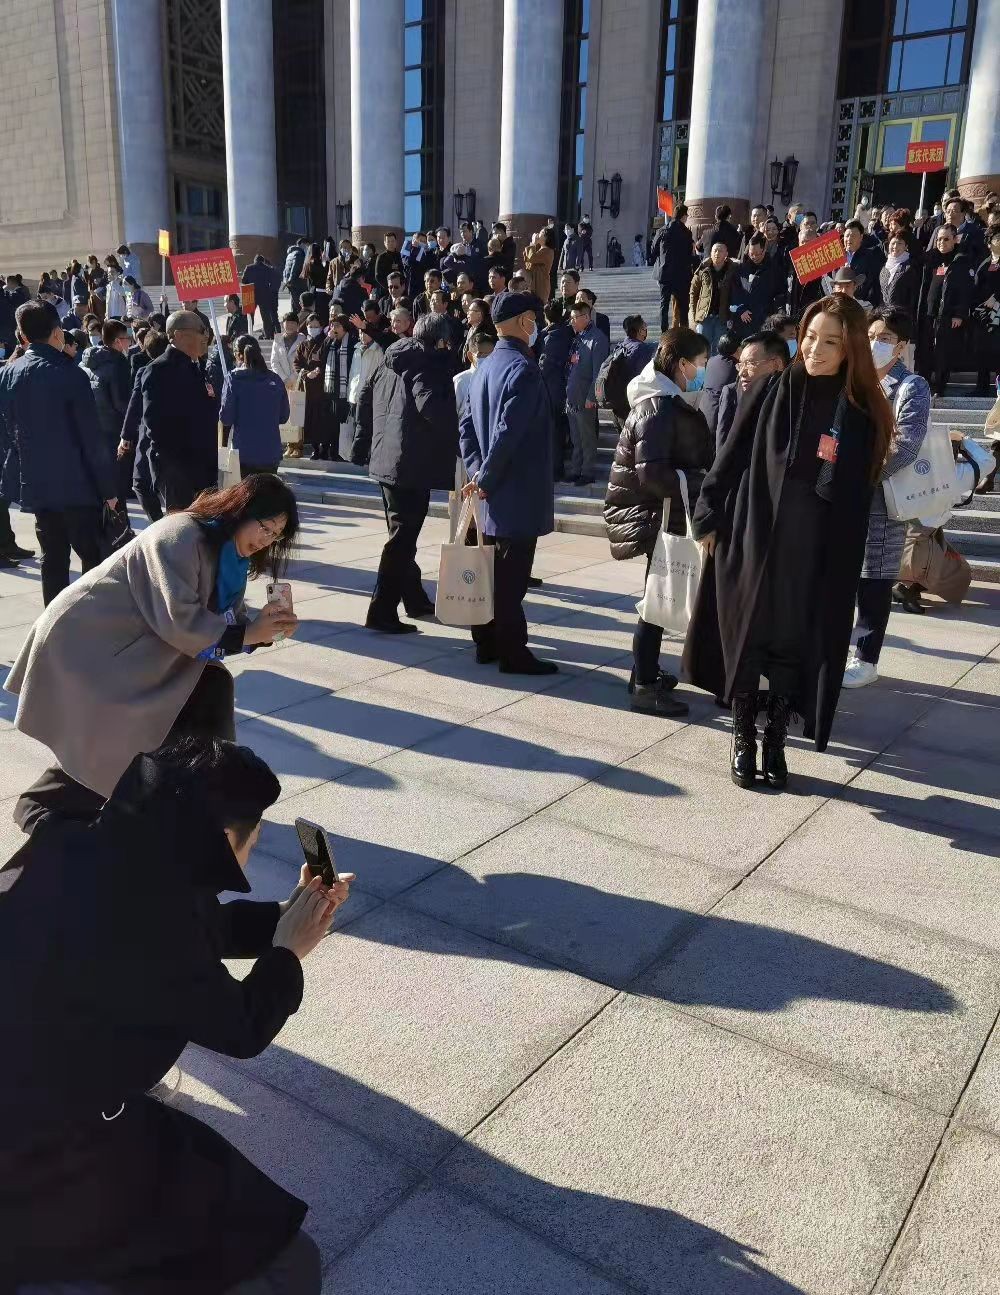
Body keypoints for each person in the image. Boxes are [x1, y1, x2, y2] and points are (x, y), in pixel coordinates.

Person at [0, 736, 352, 1292]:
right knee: (275, 1252)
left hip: (31, 1073)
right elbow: (242, 1026)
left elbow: (191, 932)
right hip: (43, 1138)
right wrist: (288, 952)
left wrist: (286, 919)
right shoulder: (155, 929)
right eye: (253, 836)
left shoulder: (91, 848)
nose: (254, 846)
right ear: (227, 837)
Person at [7, 474, 300, 830]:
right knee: (113, 729)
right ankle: (41, 804)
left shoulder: (230, 552)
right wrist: (247, 633)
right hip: (92, 641)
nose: (266, 540)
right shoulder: (181, 534)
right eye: (265, 527)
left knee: (206, 691)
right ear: (241, 510)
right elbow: (181, 620)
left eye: (276, 535)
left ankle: (198, 797)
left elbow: (222, 619)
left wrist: (262, 630)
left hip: (140, 644)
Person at [683, 294, 893, 789]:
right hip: (754, 537)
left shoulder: (861, 414)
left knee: (792, 642)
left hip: (814, 549)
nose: (816, 349)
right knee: (747, 636)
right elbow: (728, 457)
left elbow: (858, 496)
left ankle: (775, 738)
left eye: (831, 342)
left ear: (851, 350)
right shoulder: (771, 388)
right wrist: (708, 516)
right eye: (811, 336)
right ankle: (742, 737)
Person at [604, 328, 713, 716]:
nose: (702, 371)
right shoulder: (658, 407)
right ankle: (645, 684)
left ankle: (644, 671)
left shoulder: (665, 402)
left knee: (657, 598)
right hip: (655, 515)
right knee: (655, 603)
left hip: (659, 514)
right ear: (681, 364)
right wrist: (703, 480)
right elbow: (653, 475)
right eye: (700, 364)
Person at [459, 292, 555, 673]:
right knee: (511, 580)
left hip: (490, 488)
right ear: (519, 321)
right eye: (533, 318)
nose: (537, 326)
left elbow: (466, 427)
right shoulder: (523, 368)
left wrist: (476, 471)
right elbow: (508, 431)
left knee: (492, 572)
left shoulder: (483, 366)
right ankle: (513, 652)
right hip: (515, 489)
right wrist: (487, 475)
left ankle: (485, 642)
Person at [0, 302, 117, 604]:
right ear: (56, 333)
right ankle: (92, 623)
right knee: (93, 560)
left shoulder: (8, 374)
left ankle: (54, 630)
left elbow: (7, 435)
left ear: (23, 335)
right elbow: (91, 439)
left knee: (52, 560)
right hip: (77, 486)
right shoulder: (70, 374)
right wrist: (109, 489)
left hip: (38, 487)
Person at [842, 307, 932, 688]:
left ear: (902, 347)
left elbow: (907, 445)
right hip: (843, 497)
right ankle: (845, 648)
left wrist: (863, 477)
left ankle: (866, 657)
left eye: (886, 339)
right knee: (845, 576)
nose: (876, 344)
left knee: (874, 579)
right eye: (872, 335)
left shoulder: (912, 386)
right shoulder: (854, 382)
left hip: (880, 499)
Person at [366, 311, 458, 633]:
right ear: (439, 340)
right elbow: (432, 408)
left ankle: (414, 599)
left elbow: (367, 398)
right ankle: (381, 612)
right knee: (402, 540)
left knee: (401, 537)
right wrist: (460, 438)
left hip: (387, 460)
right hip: (409, 464)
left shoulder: (392, 358)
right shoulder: (426, 364)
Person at [139, 309, 218, 511]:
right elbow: (155, 425)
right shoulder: (159, 369)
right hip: (178, 471)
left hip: (203, 468)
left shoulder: (197, 366)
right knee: (181, 534)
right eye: (202, 330)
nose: (205, 336)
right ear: (179, 335)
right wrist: (175, 469)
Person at [916, 223, 976, 396]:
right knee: (926, 351)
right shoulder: (931, 259)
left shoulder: (961, 261)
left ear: (955, 239)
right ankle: (924, 385)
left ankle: (940, 387)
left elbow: (965, 291)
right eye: (939, 239)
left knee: (943, 352)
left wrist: (959, 314)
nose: (941, 242)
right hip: (928, 313)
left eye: (946, 239)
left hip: (948, 315)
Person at [220, 335, 289, 478]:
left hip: (245, 450)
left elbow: (226, 417)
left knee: (249, 495)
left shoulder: (233, 379)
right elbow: (283, 417)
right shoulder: (275, 379)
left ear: (238, 355)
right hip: (271, 450)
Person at [81, 318, 132, 499]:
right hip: (115, 427)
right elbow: (122, 402)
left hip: (95, 425)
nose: (129, 341)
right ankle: (119, 524)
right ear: (118, 341)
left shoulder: (88, 361)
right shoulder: (118, 363)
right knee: (118, 483)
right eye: (127, 338)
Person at [716, 329, 790, 449]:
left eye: (750, 363)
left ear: (776, 364)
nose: (741, 373)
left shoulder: (791, 400)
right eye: (740, 364)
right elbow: (722, 449)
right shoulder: (732, 394)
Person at [564, 301, 610, 487]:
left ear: (586, 317)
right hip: (572, 395)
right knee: (576, 437)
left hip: (585, 396)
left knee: (587, 436)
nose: (572, 321)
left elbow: (599, 372)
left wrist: (592, 396)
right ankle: (576, 469)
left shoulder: (597, 339)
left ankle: (587, 470)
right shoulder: (577, 338)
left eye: (575, 318)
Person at [293, 312, 337, 460]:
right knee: (311, 421)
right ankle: (315, 448)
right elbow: (297, 364)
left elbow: (325, 358)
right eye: (310, 326)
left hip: (323, 388)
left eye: (316, 326)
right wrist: (306, 373)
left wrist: (319, 370)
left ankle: (325, 448)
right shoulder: (303, 345)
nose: (313, 329)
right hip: (308, 389)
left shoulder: (326, 341)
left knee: (323, 420)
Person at [539, 300, 574, 479]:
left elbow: (545, 366)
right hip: (563, 388)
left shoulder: (552, 337)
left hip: (553, 390)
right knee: (559, 431)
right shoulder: (567, 333)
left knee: (553, 432)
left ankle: (555, 469)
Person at [690, 242, 738, 356]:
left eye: (720, 251)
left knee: (719, 350)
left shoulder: (733, 270)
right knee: (701, 350)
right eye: (714, 250)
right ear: (710, 253)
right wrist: (693, 315)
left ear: (726, 254)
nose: (717, 253)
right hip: (704, 317)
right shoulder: (702, 269)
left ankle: (715, 372)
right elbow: (693, 292)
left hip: (722, 317)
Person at [730, 234, 780, 339]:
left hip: (767, 319)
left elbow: (779, 291)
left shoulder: (773, 268)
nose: (754, 257)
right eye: (751, 254)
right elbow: (735, 291)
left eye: (758, 254)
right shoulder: (742, 269)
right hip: (746, 320)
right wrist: (740, 309)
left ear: (764, 250)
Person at [323, 314, 356, 460]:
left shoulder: (352, 342)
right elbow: (320, 356)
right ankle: (334, 452)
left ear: (345, 327)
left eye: (337, 326)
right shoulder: (331, 342)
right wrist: (328, 338)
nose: (334, 328)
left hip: (347, 389)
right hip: (332, 390)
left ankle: (344, 452)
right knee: (332, 422)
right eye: (332, 325)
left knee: (345, 421)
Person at [972, 226, 1000, 396]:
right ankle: (981, 387)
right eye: (996, 238)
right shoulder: (985, 262)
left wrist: (996, 297)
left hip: (998, 313)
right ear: (989, 243)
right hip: (983, 314)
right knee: (982, 350)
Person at [698, 331, 738, 441]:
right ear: (737, 350)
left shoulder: (712, 361)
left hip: (703, 413)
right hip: (718, 419)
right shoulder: (735, 367)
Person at [842, 220, 886, 306]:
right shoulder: (838, 256)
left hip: (862, 306)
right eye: (847, 236)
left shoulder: (870, 255)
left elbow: (869, 283)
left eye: (853, 236)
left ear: (861, 237)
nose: (849, 239)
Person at [879, 231, 920, 319]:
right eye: (893, 243)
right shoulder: (884, 268)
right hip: (884, 316)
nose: (895, 246)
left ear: (906, 247)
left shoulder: (910, 268)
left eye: (900, 243)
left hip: (902, 318)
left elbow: (913, 298)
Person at [241, 252, 281, 338]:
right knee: (265, 317)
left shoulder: (249, 268)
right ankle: (268, 334)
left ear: (255, 261)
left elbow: (243, 281)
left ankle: (248, 334)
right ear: (263, 261)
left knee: (250, 316)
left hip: (251, 294)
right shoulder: (268, 269)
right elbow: (272, 281)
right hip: (265, 294)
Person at [270, 310, 305, 386]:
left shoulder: (303, 340)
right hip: (281, 381)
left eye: (293, 323)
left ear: (298, 325)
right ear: (283, 324)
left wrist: (292, 379)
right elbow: (274, 362)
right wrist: (284, 379)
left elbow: (303, 362)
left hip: (299, 381)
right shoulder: (277, 340)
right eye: (288, 323)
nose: (290, 325)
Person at [524, 227, 555, 303]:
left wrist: (533, 243)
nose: (537, 235)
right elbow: (528, 262)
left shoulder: (548, 251)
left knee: (539, 306)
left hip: (540, 284)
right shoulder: (539, 250)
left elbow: (531, 258)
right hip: (533, 281)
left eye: (541, 233)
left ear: (546, 238)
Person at [281, 237, 309, 314]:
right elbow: (295, 268)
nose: (307, 248)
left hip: (290, 283)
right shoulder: (299, 253)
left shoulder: (290, 254)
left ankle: (294, 319)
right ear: (302, 244)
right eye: (306, 245)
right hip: (297, 282)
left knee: (294, 302)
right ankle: (300, 320)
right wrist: (290, 280)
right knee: (300, 303)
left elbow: (285, 269)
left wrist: (285, 281)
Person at [374, 230, 405, 296]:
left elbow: (403, 272)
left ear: (396, 242)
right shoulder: (381, 257)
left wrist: (401, 287)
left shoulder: (400, 255)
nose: (391, 243)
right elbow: (378, 276)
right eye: (388, 241)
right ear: (385, 243)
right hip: (386, 291)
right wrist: (389, 287)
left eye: (393, 241)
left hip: (400, 290)